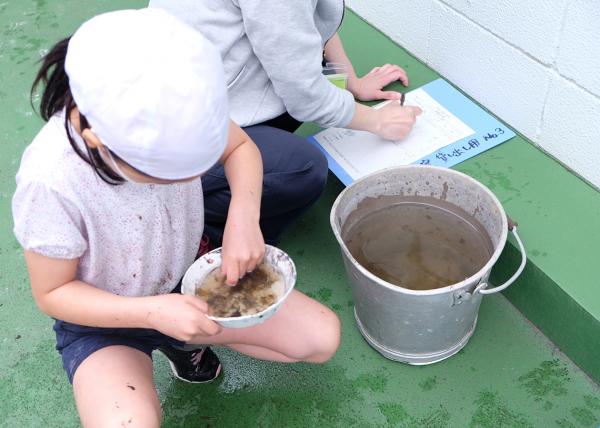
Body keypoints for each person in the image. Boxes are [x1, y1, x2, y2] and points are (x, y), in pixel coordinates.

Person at [12, 9, 340, 427]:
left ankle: (185, 346)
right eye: (166, 174)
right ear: (98, 141)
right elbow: (53, 292)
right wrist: (150, 313)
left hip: (188, 278)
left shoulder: (174, 98)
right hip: (105, 319)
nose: (186, 181)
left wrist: (244, 215)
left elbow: (240, 148)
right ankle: (171, 343)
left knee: (322, 338)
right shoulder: (50, 184)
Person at [150, 0, 423, 246]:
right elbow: (305, 95)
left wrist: (353, 83)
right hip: (171, 136)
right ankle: (197, 226)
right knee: (304, 169)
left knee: (297, 98)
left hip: (197, 91)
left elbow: (302, 19)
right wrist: (377, 120)